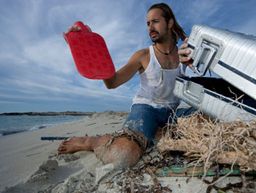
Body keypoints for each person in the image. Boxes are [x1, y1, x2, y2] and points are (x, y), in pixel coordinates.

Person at [58, 3, 194, 169]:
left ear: (170, 23)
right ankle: (92, 141)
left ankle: (159, 132)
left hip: (172, 112)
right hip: (146, 110)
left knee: (212, 120)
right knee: (124, 155)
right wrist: (89, 46)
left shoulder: (184, 53)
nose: (150, 27)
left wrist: (198, 52)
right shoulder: (143, 56)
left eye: (155, 21)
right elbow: (112, 82)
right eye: (148, 23)